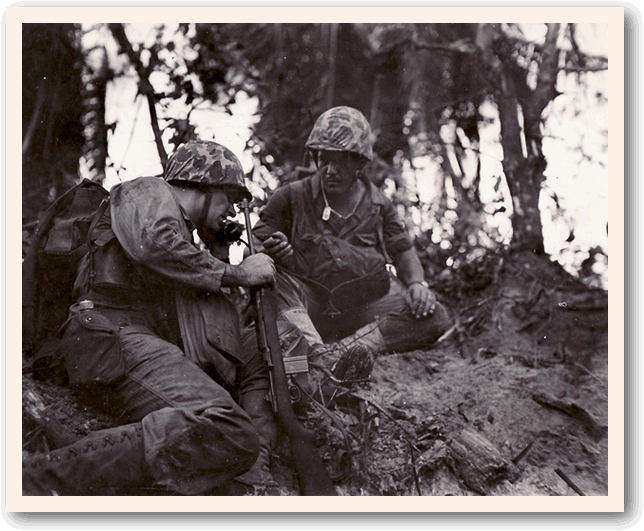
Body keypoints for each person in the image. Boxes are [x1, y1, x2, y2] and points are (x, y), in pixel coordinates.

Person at [22, 139, 295, 495]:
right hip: (111, 335)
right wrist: (238, 274)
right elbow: (151, 242)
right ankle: (43, 477)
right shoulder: (149, 191)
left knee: (253, 358)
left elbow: (214, 342)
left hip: (137, 340)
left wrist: (218, 251)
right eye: (227, 197)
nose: (230, 210)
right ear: (203, 186)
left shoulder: (183, 238)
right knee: (230, 428)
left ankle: (253, 469)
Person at [252, 106, 453, 387]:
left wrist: (418, 284)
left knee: (434, 316)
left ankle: (341, 354)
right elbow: (256, 248)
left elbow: (402, 250)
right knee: (275, 286)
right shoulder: (290, 197)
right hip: (307, 308)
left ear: (360, 164)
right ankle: (319, 357)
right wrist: (274, 252)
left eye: (342, 162)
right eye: (324, 159)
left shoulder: (380, 206)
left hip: (360, 309)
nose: (331, 171)